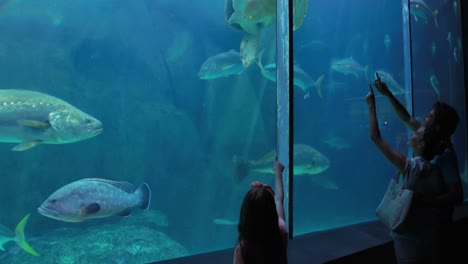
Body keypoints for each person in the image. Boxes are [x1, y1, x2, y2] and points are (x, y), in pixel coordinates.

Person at [373, 74, 463, 261]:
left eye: (430, 116)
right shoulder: (430, 139)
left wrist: (425, 201)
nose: (425, 117)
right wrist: (388, 94)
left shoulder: (445, 154)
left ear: (437, 127)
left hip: (434, 225)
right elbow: (406, 117)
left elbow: (456, 194)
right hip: (417, 224)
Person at [234, 158, 288, 264]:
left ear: (245, 213)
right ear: (272, 209)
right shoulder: (281, 230)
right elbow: (279, 200)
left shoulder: (243, 247)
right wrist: (278, 173)